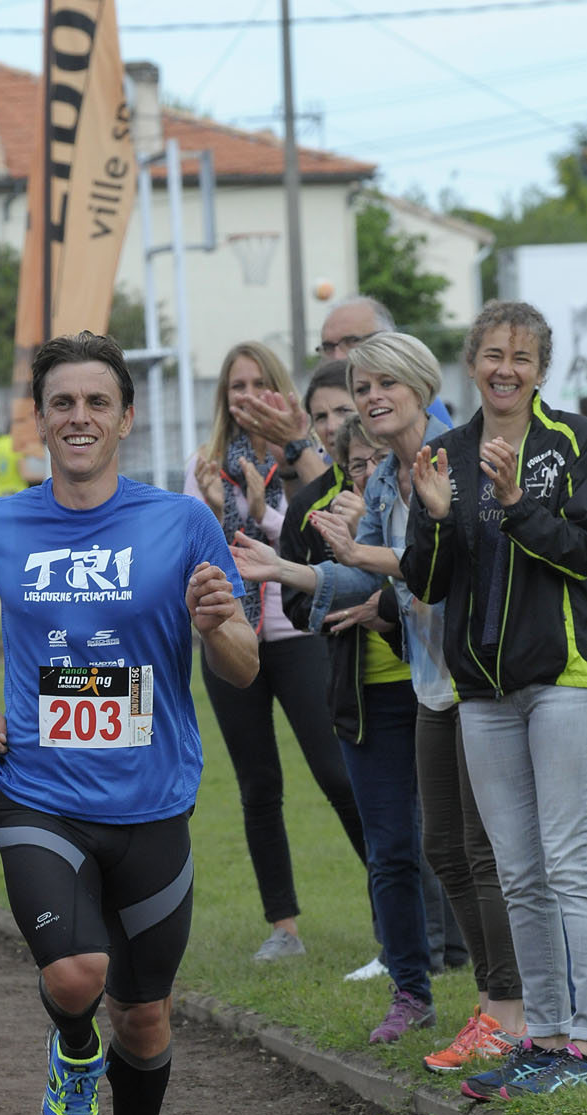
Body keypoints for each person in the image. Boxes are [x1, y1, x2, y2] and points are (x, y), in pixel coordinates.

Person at [0, 330, 257, 1115]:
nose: (78, 417)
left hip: (151, 802)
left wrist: (219, 626)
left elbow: (243, 664)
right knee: (78, 975)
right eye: (61, 403)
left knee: (146, 1015)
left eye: (96, 402)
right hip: (37, 789)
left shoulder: (181, 523)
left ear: (125, 418)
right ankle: (72, 1051)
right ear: (40, 420)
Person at [232, 334, 450, 1045]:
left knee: (468, 851)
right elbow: (350, 577)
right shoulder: (374, 484)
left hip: (459, 684)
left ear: (422, 385)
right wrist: (283, 568)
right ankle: (411, 992)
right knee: (391, 849)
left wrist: (377, 586)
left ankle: (510, 1006)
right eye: (360, 390)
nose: (367, 400)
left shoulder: (453, 461)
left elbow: (437, 567)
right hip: (373, 692)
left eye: (383, 384)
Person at [403, 300, 587, 1099]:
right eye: (491, 354)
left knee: (567, 862)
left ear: (541, 369)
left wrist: (514, 505)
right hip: (479, 691)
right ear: (470, 362)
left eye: (520, 356)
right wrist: (435, 520)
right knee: (516, 872)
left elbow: (580, 554)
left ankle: (581, 1043)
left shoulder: (571, 442)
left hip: (560, 680)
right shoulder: (444, 455)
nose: (504, 369)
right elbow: (425, 581)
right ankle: (541, 1040)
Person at [185, 343, 367, 963]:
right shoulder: (204, 466)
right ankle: (282, 926)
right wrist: (216, 510)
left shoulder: (303, 458)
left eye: (259, 383)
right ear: (224, 396)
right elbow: (197, 558)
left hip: (294, 635)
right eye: (236, 385)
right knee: (258, 785)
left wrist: (261, 515)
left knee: (336, 774)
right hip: (230, 637)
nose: (247, 396)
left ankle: (400, 908)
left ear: (280, 389)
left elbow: (313, 543)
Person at [279, 372, 391, 981]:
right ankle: (404, 949)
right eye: (319, 416)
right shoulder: (310, 506)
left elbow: (423, 570)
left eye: (341, 412)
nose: (330, 426)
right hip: (357, 681)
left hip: (426, 682)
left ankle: (445, 949)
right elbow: (303, 603)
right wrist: (342, 604)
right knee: (386, 826)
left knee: (439, 832)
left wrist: (381, 598)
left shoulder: (403, 487)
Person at [233, 294, 452, 488]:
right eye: (328, 347)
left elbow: (345, 498)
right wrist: (289, 465)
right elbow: (329, 498)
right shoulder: (384, 479)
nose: (338, 356)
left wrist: (297, 446)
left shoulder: (420, 408)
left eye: (351, 341)